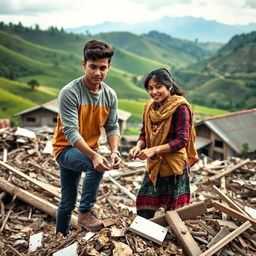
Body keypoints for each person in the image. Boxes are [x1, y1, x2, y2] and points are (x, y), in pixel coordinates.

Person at [52, 39, 122, 236]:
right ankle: (85, 213)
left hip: (87, 149)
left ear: (109, 67)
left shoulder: (110, 95)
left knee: (66, 201)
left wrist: (114, 151)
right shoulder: (70, 92)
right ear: (84, 65)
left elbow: (112, 126)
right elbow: (71, 132)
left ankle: (60, 238)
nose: (97, 73)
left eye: (103, 68)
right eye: (92, 67)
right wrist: (94, 156)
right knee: (95, 165)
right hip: (65, 149)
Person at [128, 68, 198, 219]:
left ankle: (171, 238)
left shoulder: (180, 107)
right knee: (144, 205)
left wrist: (154, 150)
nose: (154, 92)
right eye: (150, 88)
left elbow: (182, 140)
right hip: (155, 165)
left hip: (175, 166)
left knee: (173, 212)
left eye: (158, 86)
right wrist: (138, 147)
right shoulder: (149, 108)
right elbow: (144, 134)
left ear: (169, 86)